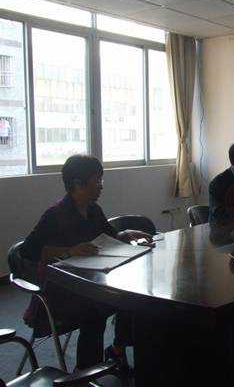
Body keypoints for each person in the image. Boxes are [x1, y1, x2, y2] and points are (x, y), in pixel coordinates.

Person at [21, 154, 152, 370]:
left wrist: (126, 234)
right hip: (60, 292)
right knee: (95, 311)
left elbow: (108, 238)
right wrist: (69, 251)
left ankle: (117, 349)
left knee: (133, 298)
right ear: (78, 183)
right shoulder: (55, 214)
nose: (101, 185)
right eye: (97, 180)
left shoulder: (93, 210)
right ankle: (85, 372)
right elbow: (27, 251)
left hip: (90, 283)